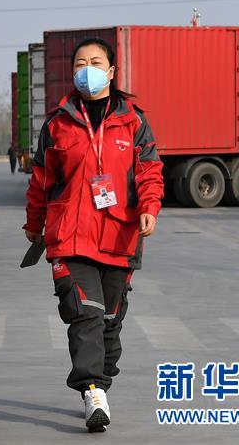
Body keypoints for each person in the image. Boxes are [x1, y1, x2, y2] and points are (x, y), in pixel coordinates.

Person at [23, 38, 164, 433]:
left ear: (112, 71)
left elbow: (150, 171)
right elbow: (41, 180)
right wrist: (34, 223)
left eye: (96, 61)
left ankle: (101, 383)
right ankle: (91, 390)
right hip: (70, 236)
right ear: (73, 72)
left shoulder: (133, 121)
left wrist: (149, 208)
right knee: (84, 312)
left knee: (110, 320)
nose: (89, 68)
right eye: (81, 62)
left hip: (119, 237)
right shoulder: (58, 123)